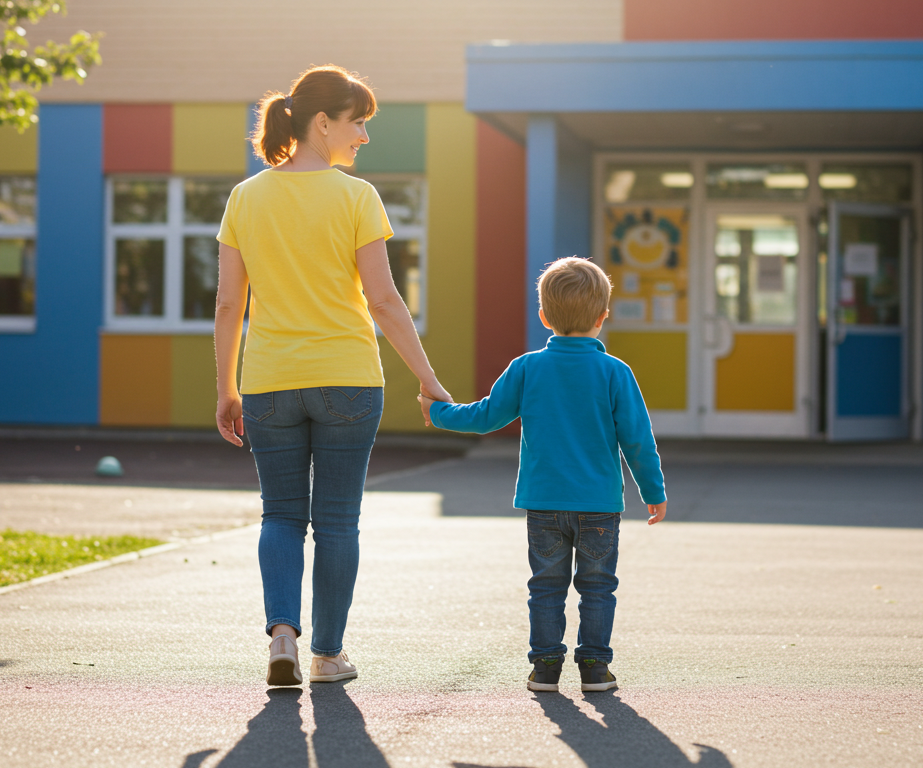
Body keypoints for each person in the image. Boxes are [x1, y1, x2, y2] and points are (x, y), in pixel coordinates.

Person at [214, 65, 452, 688]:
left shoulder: (245, 197)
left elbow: (226, 306)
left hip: (267, 382)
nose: (365, 137)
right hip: (348, 380)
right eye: (359, 122)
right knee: (338, 521)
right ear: (324, 123)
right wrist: (427, 378)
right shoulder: (356, 197)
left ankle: (282, 636)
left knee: (281, 515)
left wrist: (226, 387)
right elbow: (383, 301)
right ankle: (328, 656)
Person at [417, 257, 667, 692]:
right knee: (598, 587)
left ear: (544, 316)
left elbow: (486, 416)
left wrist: (438, 411)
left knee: (546, 587)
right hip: (599, 506)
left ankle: (546, 667)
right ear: (603, 317)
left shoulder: (527, 367)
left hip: (544, 503)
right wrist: (653, 490)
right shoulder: (615, 373)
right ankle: (594, 668)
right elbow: (638, 441)